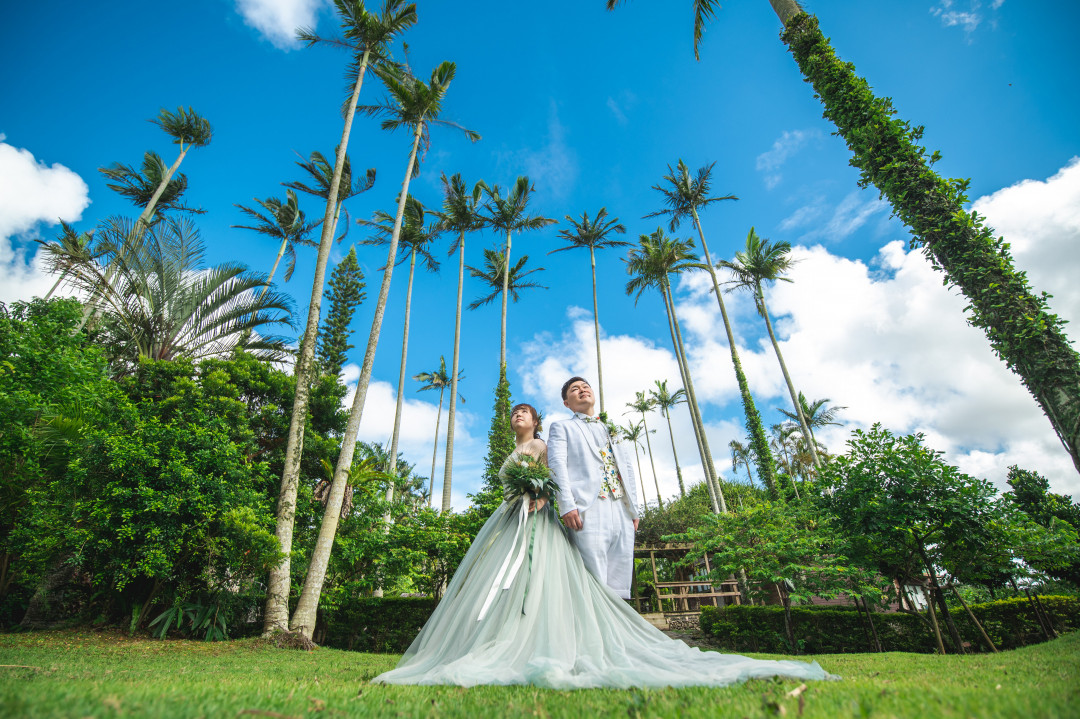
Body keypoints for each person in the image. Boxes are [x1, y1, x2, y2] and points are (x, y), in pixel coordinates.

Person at [372, 401, 833, 689]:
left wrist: (544, 496)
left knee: (551, 579)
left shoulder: (546, 442)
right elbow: (517, 482)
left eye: (524, 414)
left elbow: (556, 475)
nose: (518, 418)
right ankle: (494, 639)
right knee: (501, 584)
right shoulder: (512, 452)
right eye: (514, 414)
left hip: (540, 517)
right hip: (510, 519)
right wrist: (523, 496)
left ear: (536, 419)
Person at [547, 376, 638, 598]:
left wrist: (634, 510)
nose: (582, 390)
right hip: (588, 506)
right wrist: (566, 505)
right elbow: (557, 466)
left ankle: (615, 630)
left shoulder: (611, 429)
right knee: (592, 576)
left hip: (621, 509)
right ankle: (591, 631)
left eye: (585, 387)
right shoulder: (562, 427)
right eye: (574, 389)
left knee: (620, 577)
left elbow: (627, 470)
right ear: (567, 403)